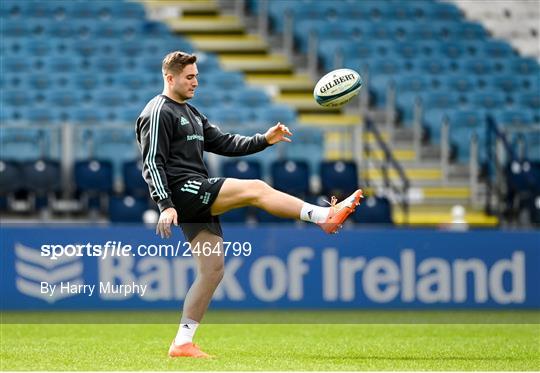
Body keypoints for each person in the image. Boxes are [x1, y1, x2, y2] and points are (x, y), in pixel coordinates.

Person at [136, 51, 363, 358]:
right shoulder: (157, 111)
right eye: (189, 77)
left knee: (212, 271)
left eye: (197, 76)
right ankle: (323, 215)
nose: (195, 82)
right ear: (170, 77)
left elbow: (225, 143)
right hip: (185, 191)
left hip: (193, 199)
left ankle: (182, 342)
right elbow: (152, 162)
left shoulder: (191, 113)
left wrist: (264, 140)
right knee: (255, 188)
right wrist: (165, 204)